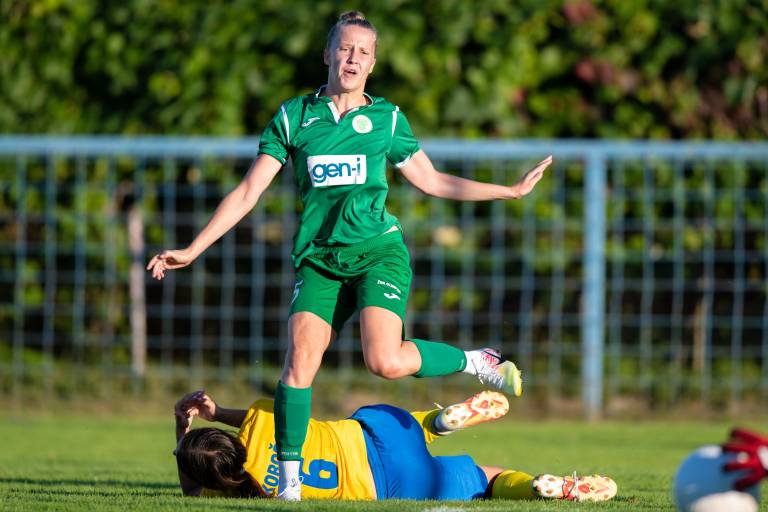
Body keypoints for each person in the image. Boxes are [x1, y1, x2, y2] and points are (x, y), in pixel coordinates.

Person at [148, 10, 552, 500]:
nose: (353, 58)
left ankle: (474, 360)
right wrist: (193, 248)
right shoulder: (294, 117)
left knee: (385, 361)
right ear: (327, 54)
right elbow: (248, 192)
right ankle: (290, 487)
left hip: (377, 252)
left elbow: (432, 180)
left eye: (363, 51)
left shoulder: (387, 118)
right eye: (344, 48)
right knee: (299, 361)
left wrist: (508, 191)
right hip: (320, 261)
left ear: (373, 62)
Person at [173, 389, 617, 502]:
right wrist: (211, 413)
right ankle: (436, 423)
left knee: (489, 479)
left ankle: (542, 487)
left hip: (392, 487)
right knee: (378, 416)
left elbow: (190, 488)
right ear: (224, 436)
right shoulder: (260, 420)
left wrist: (182, 441)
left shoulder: (235, 490)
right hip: (375, 435)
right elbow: (272, 412)